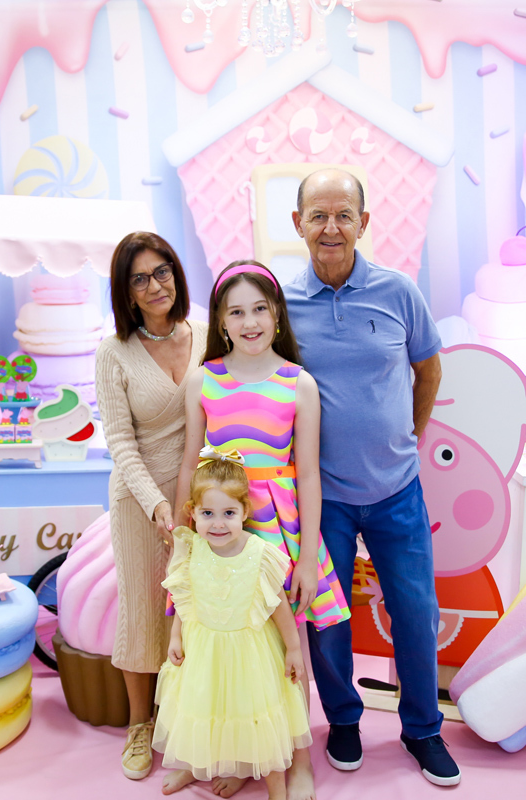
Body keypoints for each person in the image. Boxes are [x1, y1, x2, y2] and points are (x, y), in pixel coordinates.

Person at [284, 169, 456, 786]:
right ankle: (344, 721)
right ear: (298, 223)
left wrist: (407, 435)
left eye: (343, 215)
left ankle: (423, 729)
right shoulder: (281, 302)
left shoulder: (398, 291)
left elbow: (428, 371)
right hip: (321, 496)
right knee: (327, 617)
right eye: (318, 215)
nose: (331, 228)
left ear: (363, 222)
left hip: (396, 489)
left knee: (416, 613)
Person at [174, 259, 351, 800]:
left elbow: (308, 474)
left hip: (280, 528)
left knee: (283, 645)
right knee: (226, 639)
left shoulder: (300, 383)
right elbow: (189, 463)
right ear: (220, 321)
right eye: (236, 312)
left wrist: (307, 558)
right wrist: (183, 539)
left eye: (258, 309)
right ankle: (239, 755)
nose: (249, 322)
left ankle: (296, 758)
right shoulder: (203, 379)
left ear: (276, 314)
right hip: (219, 524)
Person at [95, 231, 208, 781]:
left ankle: (185, 721)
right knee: (143, 610)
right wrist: (158, 506)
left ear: (176, 273)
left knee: (196, 612)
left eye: (161, 271)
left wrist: (199, 501)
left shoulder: (208, 331)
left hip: (202, 500)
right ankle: (140, 724)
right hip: (140, 500)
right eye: (139, 278)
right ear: (126, 291)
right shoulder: (113, 352)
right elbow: (119, 442)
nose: (154, 285)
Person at [153, 450, 310, 800]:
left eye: (228, 513)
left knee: (254, 719)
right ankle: (195, 765)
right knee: (201, 709)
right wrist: (176, 636)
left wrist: (294, 648)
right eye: (207, 514)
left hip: (248, 655)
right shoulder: (190, 549)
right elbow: (184, 598)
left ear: (244, 512)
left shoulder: (259, 553)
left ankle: (276, 788)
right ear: (192, 512)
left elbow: (279, 607)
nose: (218, 524)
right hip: (203, 651)